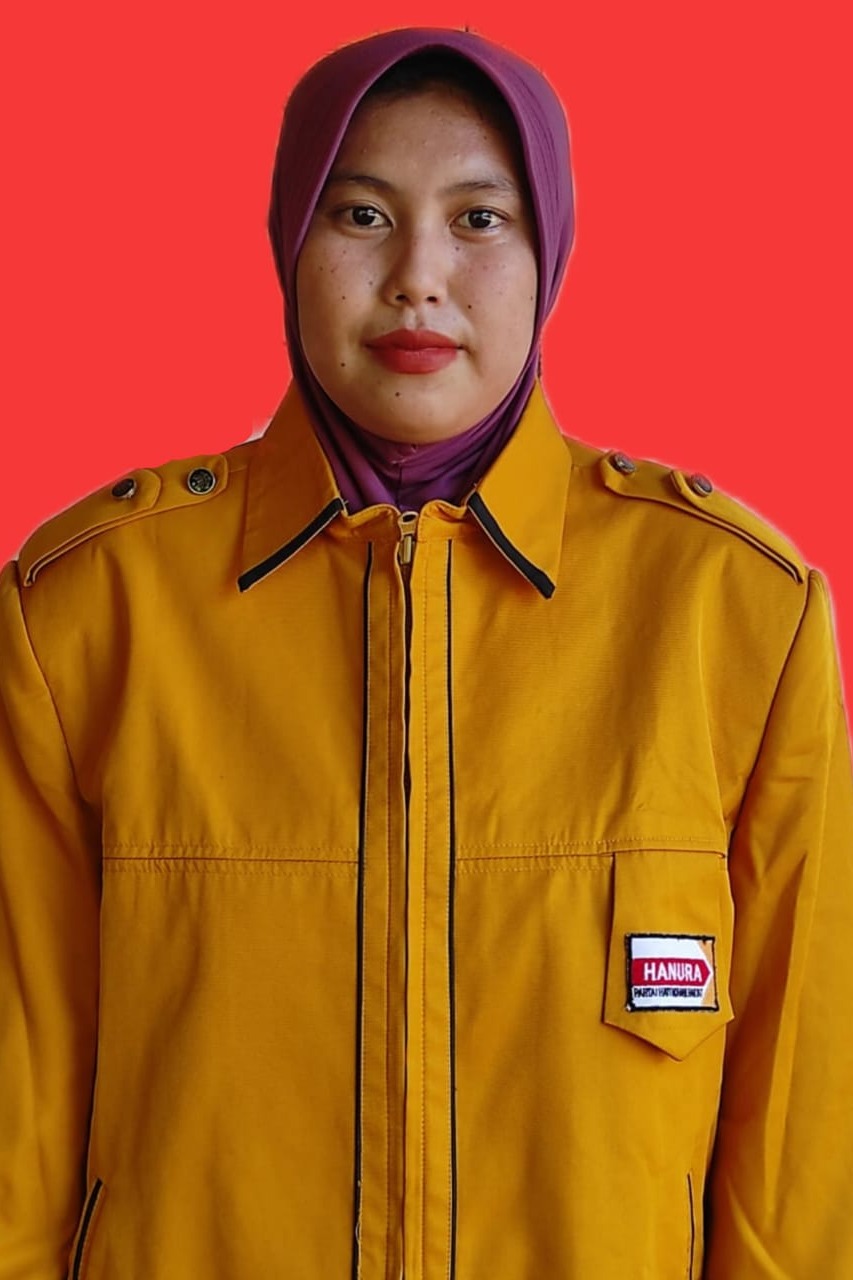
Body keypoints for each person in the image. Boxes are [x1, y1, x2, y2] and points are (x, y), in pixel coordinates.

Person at [1, 25, 851, 1280]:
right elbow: (18, 1099)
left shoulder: (731, 609)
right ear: (289, 241)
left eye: (478, 220)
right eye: (360, 215)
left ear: (549, 250)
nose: (416, 278)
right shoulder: (90, 606)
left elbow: (800, 1128)